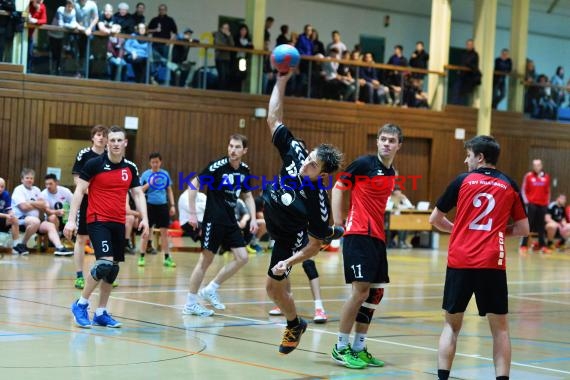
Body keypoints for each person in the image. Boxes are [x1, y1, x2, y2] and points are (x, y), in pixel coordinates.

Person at [429, 135, 529, 380]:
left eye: (468, 155)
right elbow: (523, 229)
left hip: (460, 261)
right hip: (491, 262)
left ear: (480, 157)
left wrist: (460, 228)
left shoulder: (462, 181)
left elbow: (435, 220)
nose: (465, 160)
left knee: (451, 326)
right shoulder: (509, 184)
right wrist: (497, 230)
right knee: (500, 330)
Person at [264, 71, 343, 354]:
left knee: (272, 288)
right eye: (309, 159)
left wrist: (289, 261)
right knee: (278, 286)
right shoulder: (296, 153)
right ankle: (332, 232)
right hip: (272, 219)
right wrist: (281, 81)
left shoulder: (316, 199)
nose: (305, 165)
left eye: (312, 166)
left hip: (290, 236)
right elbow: (273, 119)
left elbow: (314, 246)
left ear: (322, 174)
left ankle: (295, 324)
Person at [331, 123, 403, 369]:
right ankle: (340, 347)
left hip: (377, 237)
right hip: (358, 233)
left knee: (375, 294)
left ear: (398, 145)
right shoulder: (364, 164)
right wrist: (338, 222)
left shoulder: (392, 173)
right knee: (360, 291)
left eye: (391, 140)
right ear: (377, 141)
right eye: (383, 139)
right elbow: (338, 188)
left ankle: (359, 348)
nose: (386, 143)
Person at [65, 125, 149, 328]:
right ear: (107, 142)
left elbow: (137, 193)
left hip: (118, 221)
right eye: (112, 140)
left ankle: (101, 312)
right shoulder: (94, 164)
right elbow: (79, 191)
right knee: (104, 263)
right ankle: (81, 304)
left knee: (112, 269)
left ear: (125, 143)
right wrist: (70, 219)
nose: (116, 144)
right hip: (96, 219)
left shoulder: (130, 168)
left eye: (120, 140)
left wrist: (144, 218)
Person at [182, 134, 258, 316]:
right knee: (205, 261)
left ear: (244, 150)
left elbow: (247, 195)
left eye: (237, 147)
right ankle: (190, 303)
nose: (232, 150)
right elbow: (194, 184)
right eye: (231, 146)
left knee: (242, 257)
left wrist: (253, 218)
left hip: (230, 221)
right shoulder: (217, 166)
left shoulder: (244, 170)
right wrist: (192, 213)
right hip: (214, 220)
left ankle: (211, 288)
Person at [71, 125, 107, 289]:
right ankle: (79, 276)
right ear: (93, 137)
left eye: (104, 135)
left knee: (104, 238)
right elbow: (76, 179)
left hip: (105, 203)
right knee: (81, 238)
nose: (101, 138)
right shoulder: (84, 154)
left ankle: (105, 273)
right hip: (86, 201)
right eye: (98, 135)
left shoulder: (110, 156)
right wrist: (89, 191)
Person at [12, 168, 72, 256]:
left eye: (31, 178)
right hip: (21, 219)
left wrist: (30, 202)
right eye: (27, 178)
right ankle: (22, 245)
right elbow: (23, 207)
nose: (29, 180)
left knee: (50, 225)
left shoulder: (36, 190)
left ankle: (59, 248)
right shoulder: (19, 190)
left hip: (37, 220)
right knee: (35, 221)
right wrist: (37, 204)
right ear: (22, 179)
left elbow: (44, 205)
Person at [138, 152, 176, 267]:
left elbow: (169, 190)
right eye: (153, 162)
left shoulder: (165, 174)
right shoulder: (145, 175)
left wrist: (172, 205)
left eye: (157, 162)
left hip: (163, 206)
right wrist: (149, 184)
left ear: (160, 162)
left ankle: (167, 258)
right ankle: (141, 257)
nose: (155, 164)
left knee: (164, 233)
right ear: (150, 163)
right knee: (146, 232)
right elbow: (140, 191)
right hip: (149, 206)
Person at [519, 159, 551, 255]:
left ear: (541, 166)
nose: (536, 167)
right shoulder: (528, 176)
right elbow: (523, 190)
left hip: (542, 205)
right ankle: (523, 245)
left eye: (538, 165)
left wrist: (547, 204)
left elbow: (548, 191)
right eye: (535, 165)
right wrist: (527, 203)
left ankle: (543, 246)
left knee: (541, 226)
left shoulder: (546, 177)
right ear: (533, 166)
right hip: (531, 204)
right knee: (528, 225)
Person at [0, 177, 22, 254]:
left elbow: (9, 209)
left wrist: (11, 213)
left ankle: (16, 245)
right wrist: (6, 216)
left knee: (14, 219)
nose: (0, 188)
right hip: (3, 217)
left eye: (2, 187)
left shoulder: (6, 194)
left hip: (2, 220)